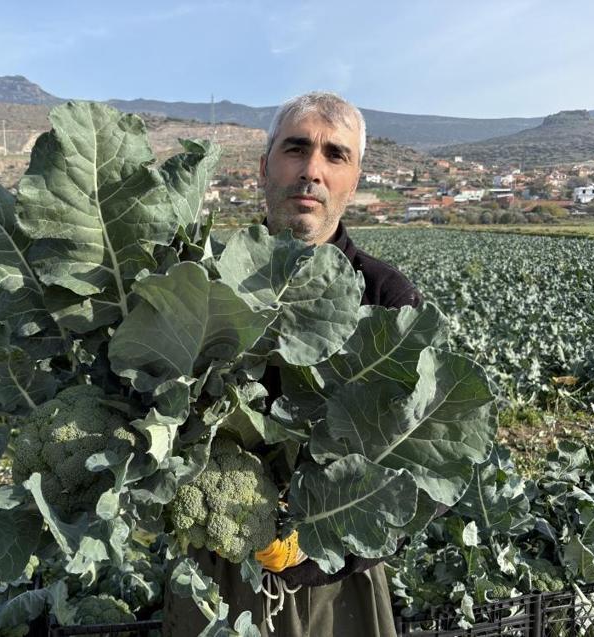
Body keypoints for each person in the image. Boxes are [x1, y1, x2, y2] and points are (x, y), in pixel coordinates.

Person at [162, 91, 421, 636]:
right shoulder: (202, 281)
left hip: (337, 589)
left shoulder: (387, 299)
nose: (312, 171)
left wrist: (325, 542)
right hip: (212, 578)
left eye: (335, 155)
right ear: (264, 166)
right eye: (296, 149)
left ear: (354, 179)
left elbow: (423, 471)